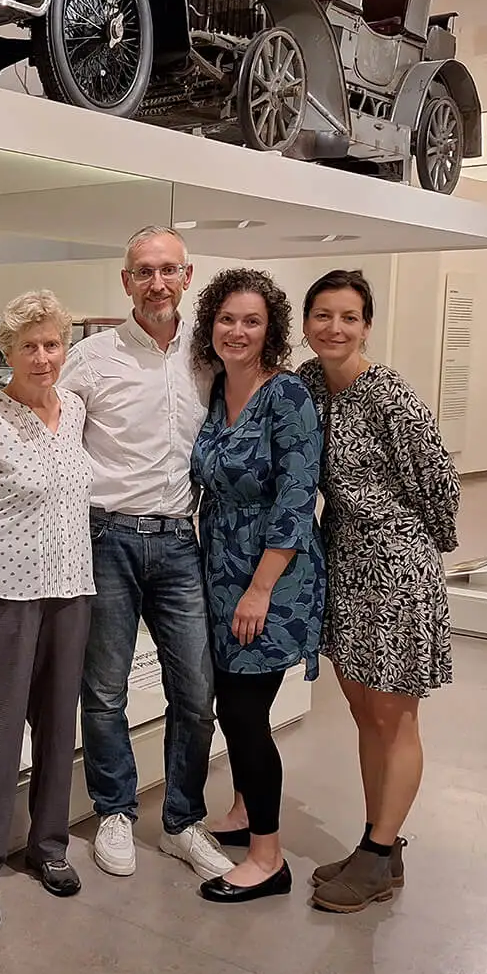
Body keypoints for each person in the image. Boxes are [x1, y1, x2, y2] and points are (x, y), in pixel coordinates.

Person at [0, 226, 236, 885]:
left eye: (168, 270)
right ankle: (62, 830)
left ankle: (134, 830)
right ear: (126, 280)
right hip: (83, 553)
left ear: (186, 276)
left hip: (138, 555)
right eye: (143, 270)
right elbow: (1, 414)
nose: (45, 356)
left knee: (183, 696)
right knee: (81, 703)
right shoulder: (85, 362)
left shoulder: (204, 354)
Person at [297, 269, 460, 914]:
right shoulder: (310, 387)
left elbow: (440, 489)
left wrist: (407, 553)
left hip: (395, 572)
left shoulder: (390, 396)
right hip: (343, 568)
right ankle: (378, 846)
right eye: (323, 316)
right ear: (307, 323)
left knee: (396, 718)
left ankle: (380, 847)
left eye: (349, 317)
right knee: (366, 715)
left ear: (367, 325)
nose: (335, 329)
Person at [0, 290, 96, 929]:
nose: (42, 357)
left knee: (59, 726)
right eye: (28, 346)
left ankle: (49, 844)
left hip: (70, 589)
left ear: (66, 347)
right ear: (6, 352)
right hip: (4, 597)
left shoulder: (78, 410)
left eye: (52, 343)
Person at [187, 269, 326, 904]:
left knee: (244, 712)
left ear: (270, 330)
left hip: (273, 577)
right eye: (226, 319)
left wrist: (260, 588)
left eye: (251, 321)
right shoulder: (217, 389)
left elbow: (298, 501)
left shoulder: (288, 396)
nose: (237, 331)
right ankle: (245, 811)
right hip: (219, 569)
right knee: (230, 705)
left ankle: (269, 859)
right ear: (210, 325)